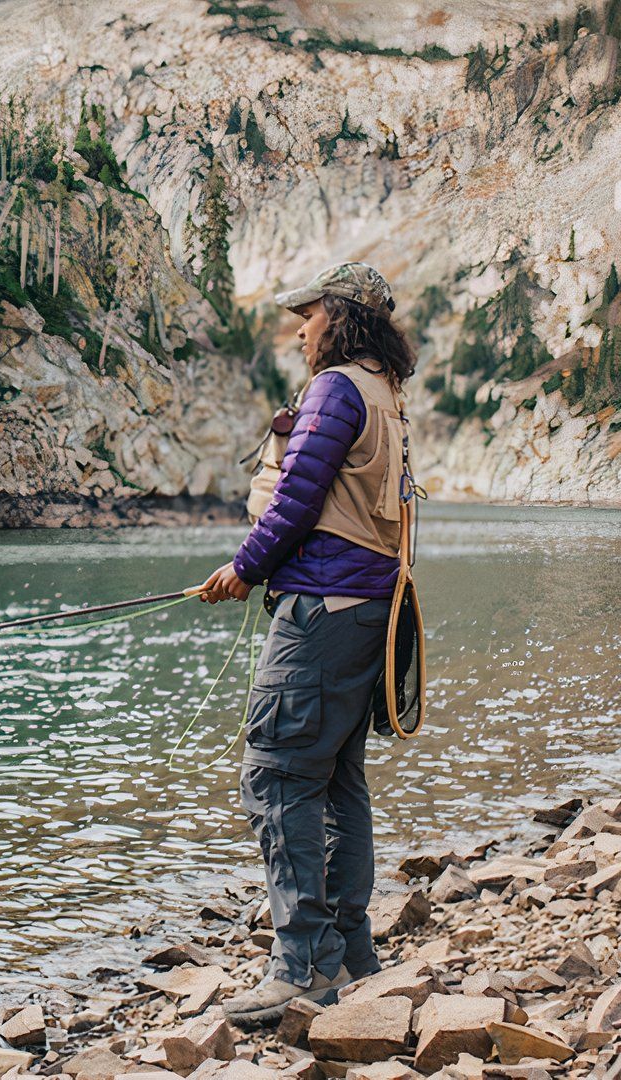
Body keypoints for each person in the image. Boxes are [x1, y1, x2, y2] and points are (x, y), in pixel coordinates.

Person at [189, 261, 419, 1026]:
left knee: (278, 775)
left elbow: (295, 500)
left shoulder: (336, 388)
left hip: (321, 613)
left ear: (342, 317)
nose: (299, 328)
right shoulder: (387, 395)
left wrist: (242, 570)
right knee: (337, 780)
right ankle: (353, 956)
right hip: (368, 616)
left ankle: (301, 966)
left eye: (310, 314)